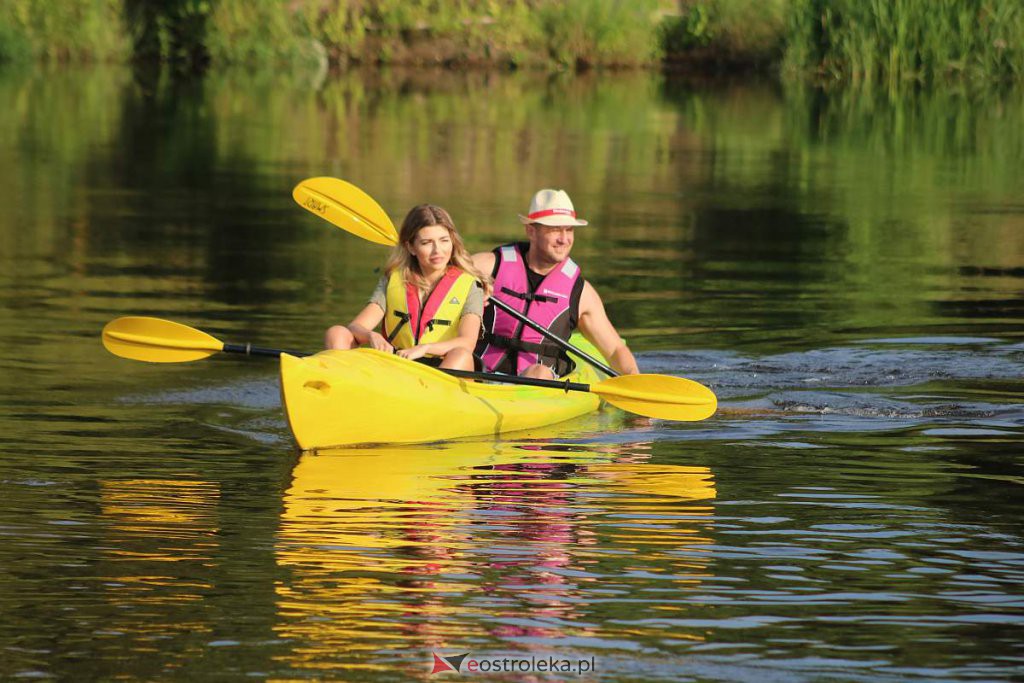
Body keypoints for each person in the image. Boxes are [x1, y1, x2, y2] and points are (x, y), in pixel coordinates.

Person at [472, 189, 639, 380]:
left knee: (539, 372)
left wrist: (633, 378)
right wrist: (470, 292)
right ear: (531, 231)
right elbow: (441, 279)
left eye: (569, 230)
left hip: (541, 385)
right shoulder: (488, 266)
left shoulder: (581, 293)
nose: (564, 239)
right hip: (481, 374)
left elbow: (615, 349)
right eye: (555, 229)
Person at [325, 204, 488, 371]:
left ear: (452, 242)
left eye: (444, 240)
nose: (437, 250)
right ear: (411, 247)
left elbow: (467, 342)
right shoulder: (393, 280)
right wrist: (371, 335)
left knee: (461, 355)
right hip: (399, 365)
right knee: (337, 332)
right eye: (426, 242)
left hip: (442, 370)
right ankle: (340, 388)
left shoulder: (470, 285)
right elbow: (356, 327)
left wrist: (425, 348)